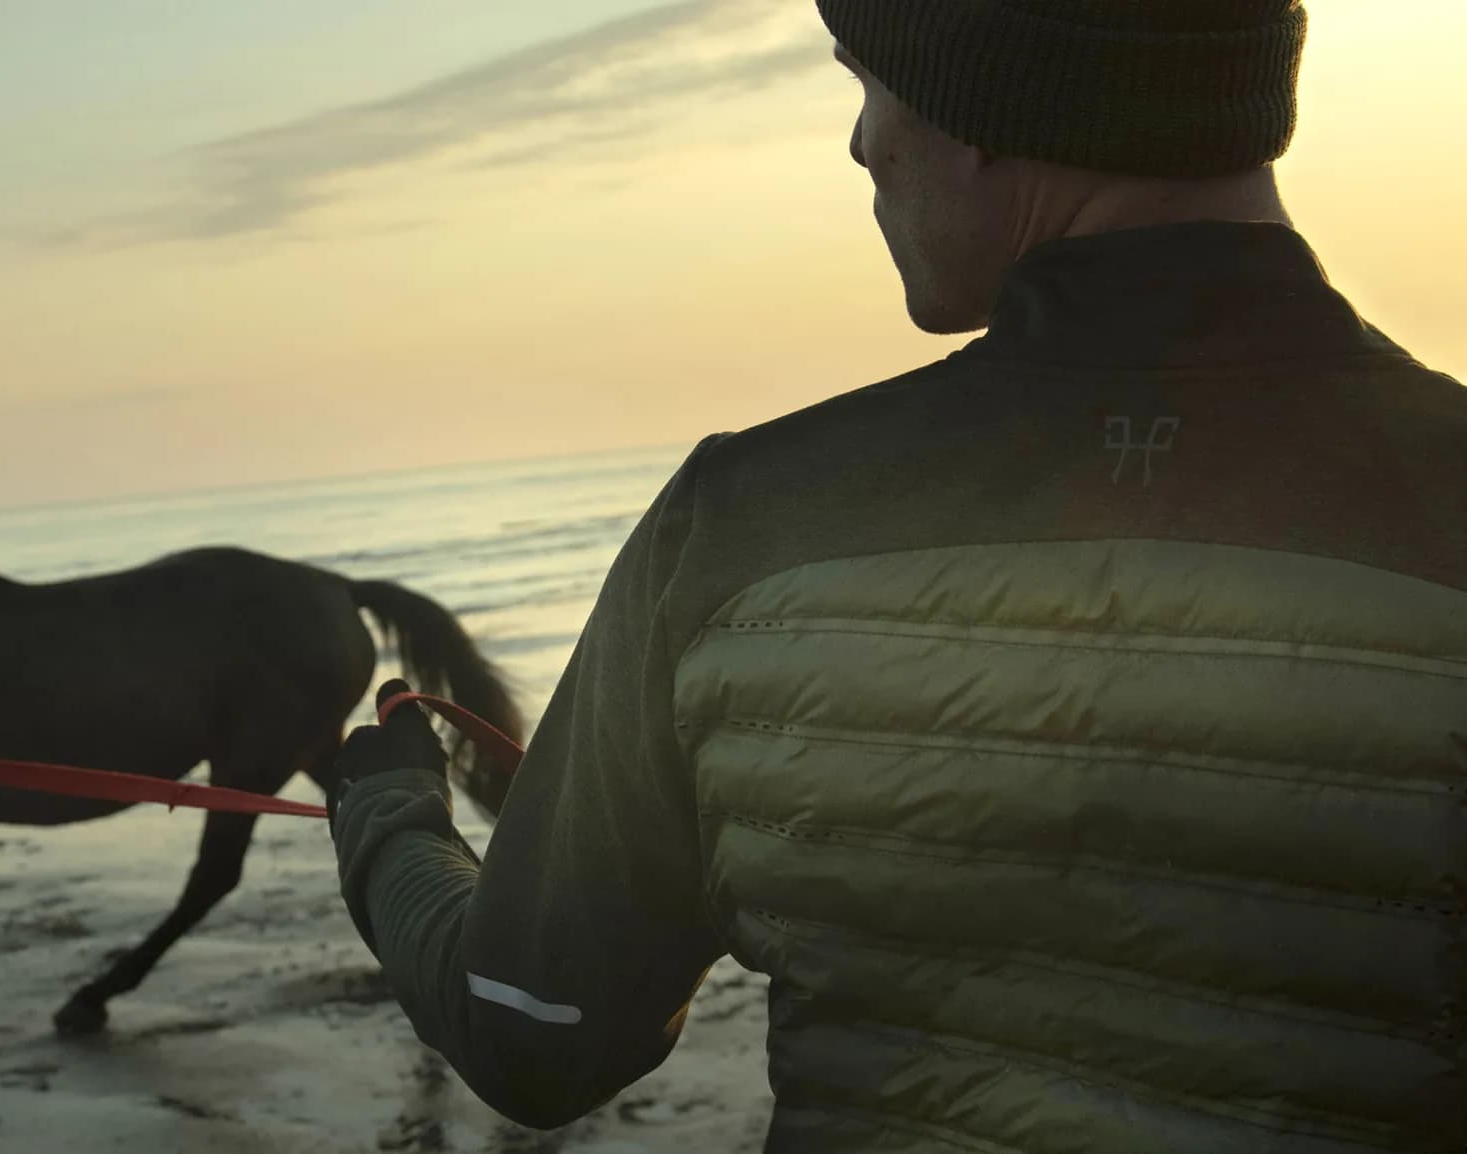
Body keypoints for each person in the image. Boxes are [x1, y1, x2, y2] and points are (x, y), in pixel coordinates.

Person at [326, 1, 1467, 1150]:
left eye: (865, 84)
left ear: (982, 107)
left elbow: (534, 1023)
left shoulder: (747, 523)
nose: (862, 144)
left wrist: (388, 811)